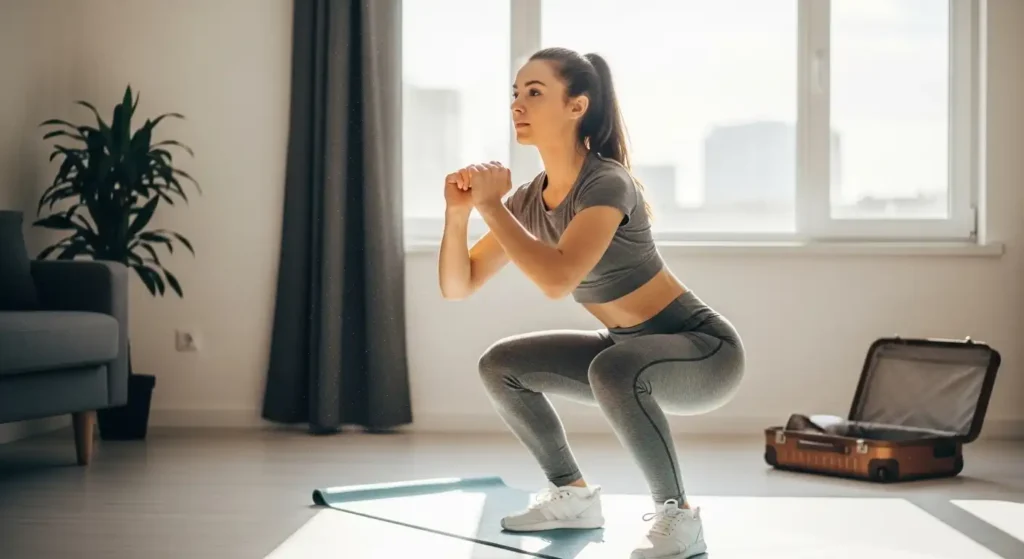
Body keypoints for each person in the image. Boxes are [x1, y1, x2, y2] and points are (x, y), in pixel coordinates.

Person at [437, 46, 745, 559]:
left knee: (614, 368)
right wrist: (458, 214)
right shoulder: (531, 200)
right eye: (515, 93)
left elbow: (558, 279)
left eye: (534, 93)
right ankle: (573, 495)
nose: (518, 104)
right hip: (624, 349)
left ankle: (679, 517)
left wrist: (490, 206)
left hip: (705, 351)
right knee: (501, 366)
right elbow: (458, 285)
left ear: (576, 105)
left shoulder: (607, 182)